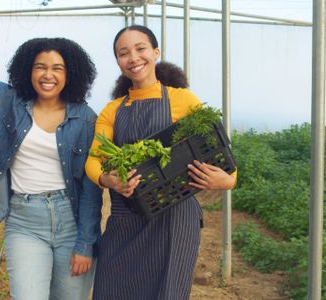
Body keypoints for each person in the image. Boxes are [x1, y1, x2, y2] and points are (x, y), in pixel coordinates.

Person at [0, 37, 102, 300]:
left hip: (71, 222)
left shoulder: (85, 118)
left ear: (70, 73)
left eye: (57, 68)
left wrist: (85, 244)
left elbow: (90, 188)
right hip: (24, 221)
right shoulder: (8, 100)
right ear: (28, 70)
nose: (47, 75)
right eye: (40, 67)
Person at [85, 25, 237, 300]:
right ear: (118, 61)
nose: (133, 58)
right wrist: (108, 180)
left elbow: (218, 151)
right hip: (127, 215)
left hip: (174, 217)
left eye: (140, 49)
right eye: (123, 53)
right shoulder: (113, 110)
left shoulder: (182, 99)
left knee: (166, 292)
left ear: (155, 52)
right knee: (111, 289)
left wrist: (227, 179)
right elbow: (94, 160)